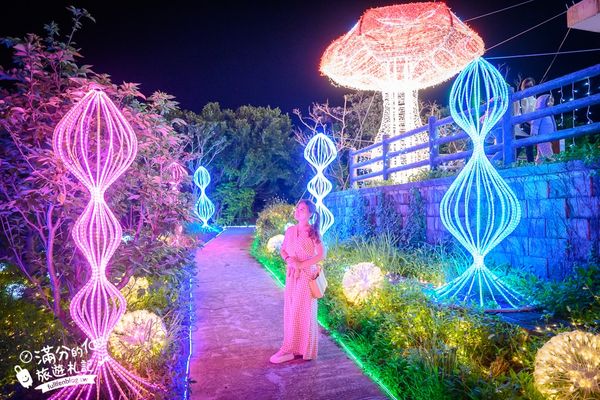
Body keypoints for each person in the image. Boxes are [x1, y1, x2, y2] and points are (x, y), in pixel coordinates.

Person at [269, 199, 325, 364]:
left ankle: (295, 349)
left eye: (302, 209)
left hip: (306, 276)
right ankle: (293, 347)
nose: (298, 211)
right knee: (291, 309)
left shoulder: (312, 232)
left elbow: (321, 255)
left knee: (302, 311)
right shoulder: (290, 231)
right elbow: (283, 249)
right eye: (297, 208)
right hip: (292, 275)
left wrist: (301, 264)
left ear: (309, 214)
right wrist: (289, 259)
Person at [514, 77, 536, 162]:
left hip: (526, 127)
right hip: (522, 127)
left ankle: (512, 167)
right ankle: (511, 167)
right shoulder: (518, 98)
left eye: (530, 85)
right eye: (527, 86)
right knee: (519, 150)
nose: (529, 87)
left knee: (528, 151)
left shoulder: (533, 100)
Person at [531, 94, 556, 163]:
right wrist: (534, 133)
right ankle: (552, 165)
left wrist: (554, 133)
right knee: (548, 153)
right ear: (542, 102)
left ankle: (538, 167)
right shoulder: (540, 112)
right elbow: (535, 123)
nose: (551, 103)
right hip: (542, 137)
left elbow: (553, 125)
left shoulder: (549, 114)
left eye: (552, 101)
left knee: (540, 154)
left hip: (548, 137)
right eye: (549, 101)